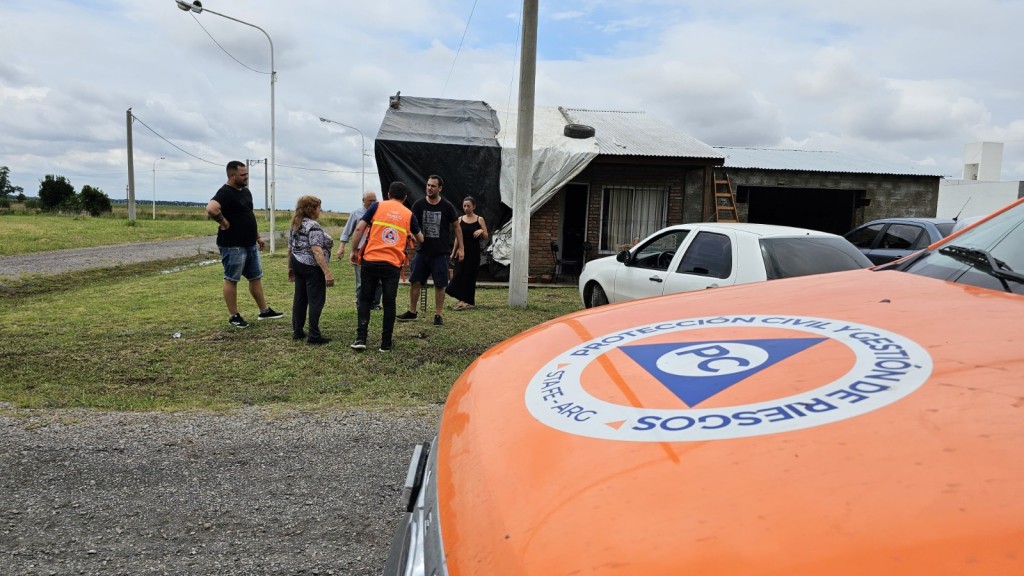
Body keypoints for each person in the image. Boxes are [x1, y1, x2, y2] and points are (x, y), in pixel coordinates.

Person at [206, 160, 283, 328]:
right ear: (231, 175)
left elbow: (248, 215)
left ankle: (264, 311)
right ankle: (233, 316)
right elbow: (211, 208)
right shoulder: (225, 192)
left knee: (255, 277)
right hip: (233, 245)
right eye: (243, 175)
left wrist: (258, 237)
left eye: (247, 174)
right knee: (231, 278)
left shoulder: (245, 192)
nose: (246, 177)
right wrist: (224, 222)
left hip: (249, 243)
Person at [348, 182, 423, 352]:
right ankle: (386, 343)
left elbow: (360, 227)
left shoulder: (377, 206)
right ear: (405, 198)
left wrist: (354, 250)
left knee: (365, 299)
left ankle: (361, 338)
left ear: (388, 195)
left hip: (370, 260)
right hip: (392, 264)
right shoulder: (409, 214)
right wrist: (410, 234)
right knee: (389, 303)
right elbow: (420, 239)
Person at [397, 175, 462, 326]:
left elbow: (457, 226)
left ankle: (438, 315)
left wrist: (461, 248)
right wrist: (412, 235)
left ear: (440, 188)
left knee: (440, 284)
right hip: (422, 252)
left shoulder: (447, 206)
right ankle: (412, 312)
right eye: (428, 185)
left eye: (433, 186)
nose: (429, 188)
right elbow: (411, 225)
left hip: (441, 253)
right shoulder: (419, 205)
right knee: (415, 281)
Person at [287, 195, 334, 345]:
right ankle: (314, 335)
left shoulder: (295, 223)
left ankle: (298, 330)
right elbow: (316, 251)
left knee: (300, 297)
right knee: (316, 300)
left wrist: (290, 267)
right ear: (311, 209)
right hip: (311, 266)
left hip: (297, 262)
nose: (320, 210)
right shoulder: (313, 226)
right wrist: (327, 272)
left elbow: (290, 247)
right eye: (319, 207)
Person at [336, 191, 382, 310]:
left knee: (379, 280)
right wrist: (342, 247)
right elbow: (347, 232)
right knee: (361, 280)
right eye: (369, 201)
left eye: (374, 200)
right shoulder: (356, 214)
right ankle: (360, 303)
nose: (372, 203)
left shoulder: (380, 213)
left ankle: (375, 303)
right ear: (363, 201)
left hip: (377, 251)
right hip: (361, 251)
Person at [447, 196, 489, 310]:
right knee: (458, 274)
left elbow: (486, 236)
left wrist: (481, 231)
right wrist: (453, 252)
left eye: (468, 206)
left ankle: (467, 301)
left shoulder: (479, 219)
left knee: (470, 276)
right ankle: (461, 299)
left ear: (474, 206)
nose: (466, 208)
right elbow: (457, 238)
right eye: (464, 206)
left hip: (473, 253)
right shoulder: (460, 219)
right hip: (461, 251)